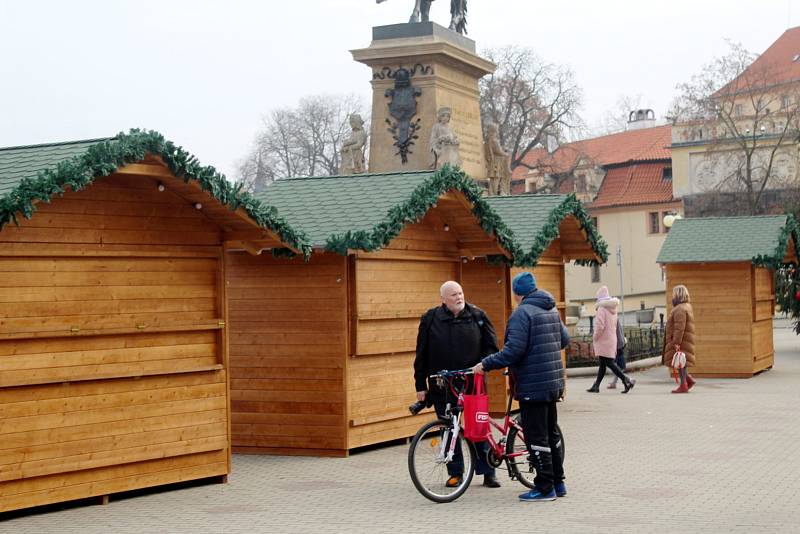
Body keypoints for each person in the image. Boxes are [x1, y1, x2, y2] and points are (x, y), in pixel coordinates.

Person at [471, 272, 569, 502]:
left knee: (537, 437)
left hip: (533, 385)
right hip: (553, 383)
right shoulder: (551, 309)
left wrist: (485, 364)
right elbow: (563, 340)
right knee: (551, 432)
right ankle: (558, 482)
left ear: (517, 293)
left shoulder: (521, 314)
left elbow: (513, 350)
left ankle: (545, 488)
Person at [414, 280, 501, 488]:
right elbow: (421, 353)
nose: (459, 297)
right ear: (443, 299)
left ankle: (488, 471)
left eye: (460, 293)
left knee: (477, 426)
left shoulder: (478, 316)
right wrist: (420, 385)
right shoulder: (431, 318)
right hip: (442, 385)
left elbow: (492, 347)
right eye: (453, 294)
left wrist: (483, 365)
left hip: (472, 383)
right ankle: (456, 473)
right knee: (448, 427)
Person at [587, 286, 634, 393]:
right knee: (603, 363)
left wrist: (595, 337)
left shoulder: (601, 309)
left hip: (603, 341)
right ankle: (596, 385)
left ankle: (626, 380)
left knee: (609, 363)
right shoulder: (613, 309)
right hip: (611, 340)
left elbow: (600, 326)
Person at [663, 284, 696, 393]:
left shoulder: (679, 309)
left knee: (680, 363)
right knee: (682, 362)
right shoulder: (686, 306)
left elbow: (679, 327)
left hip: (680, 340)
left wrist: (676, 342)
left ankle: (683, 385)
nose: (672, 296)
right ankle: (688, 381)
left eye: (674, 294)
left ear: (678, 294)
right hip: (685, 340)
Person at [607, 313, 635, 389]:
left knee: (613, 366)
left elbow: (616, 333)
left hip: (616, 345)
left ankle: (629, 380)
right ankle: (616, 382)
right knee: (617, 366)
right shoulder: (614, 317)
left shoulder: (612, 318)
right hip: (619, 345)